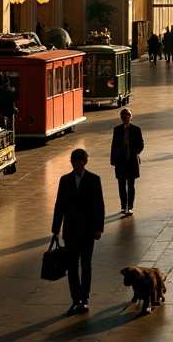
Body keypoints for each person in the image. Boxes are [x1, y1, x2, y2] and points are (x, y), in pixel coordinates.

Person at [52, 147, 106, 315]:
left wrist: (99, 228)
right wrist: (56, 229)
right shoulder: (65, 180)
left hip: (88, 231)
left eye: (77, 161)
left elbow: (99, 206)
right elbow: (59, 205)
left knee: (86, 265)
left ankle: (85, 297)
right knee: (72, 266)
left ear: (84, 162)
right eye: (73, 162)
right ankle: (76, 298)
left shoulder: (94, 180)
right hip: (70, 230)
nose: (75, 164)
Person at [109, 108, 145, 216]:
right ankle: (123, 206)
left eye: (125, 117)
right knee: (121, 184)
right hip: (120, 161)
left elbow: (141, 144)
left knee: (131, 184)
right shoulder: (117, 129)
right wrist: (113, 160)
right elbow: (114, 145)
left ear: (130, 117)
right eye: (122, 117)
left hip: (131, 160)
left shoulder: (136, 129)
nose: (124, 119)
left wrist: (135, 152)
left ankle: (130, 206)